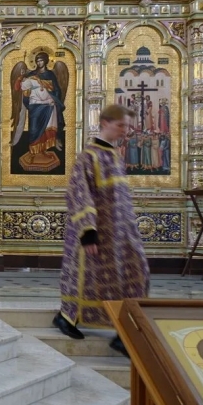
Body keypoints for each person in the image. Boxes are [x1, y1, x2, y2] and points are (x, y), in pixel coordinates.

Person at [54, 105, 150, 357]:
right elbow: (78, 193)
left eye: (127, 126)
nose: (125, 130)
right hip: (96, 231)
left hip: (122, 232)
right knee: (85, 276)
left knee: (137, 271)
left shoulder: (115, 156)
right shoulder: (89, 156)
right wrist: (88, 230)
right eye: (121, 125)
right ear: (105, 123)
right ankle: (67, 316)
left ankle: (124, 331)